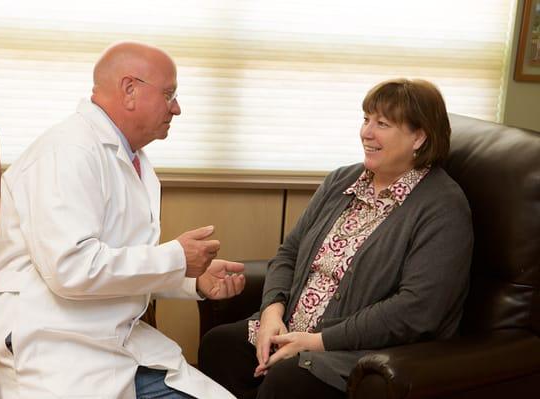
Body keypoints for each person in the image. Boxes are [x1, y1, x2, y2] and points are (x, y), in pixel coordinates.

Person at [0, 41, 246, 399]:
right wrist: (177, 260)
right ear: (130, 90)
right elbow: (71, 269)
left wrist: (188, 278)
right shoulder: (67, 152)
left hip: (105, 338)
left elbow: (119, 258)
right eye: (169, 94)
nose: (177, 108)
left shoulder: (131, 157)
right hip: (50, 341)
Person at [198, 78, 474, 399]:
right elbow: (289, 253)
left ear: (419, 137)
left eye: (382, 124)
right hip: (291, 329)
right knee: (220, 347)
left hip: (355, 350)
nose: (366, 132)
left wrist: (315, 341)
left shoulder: (443, 207)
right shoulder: (342, 180)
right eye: (365, 119)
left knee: (287, 380)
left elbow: (417, 310)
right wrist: (272, 314)